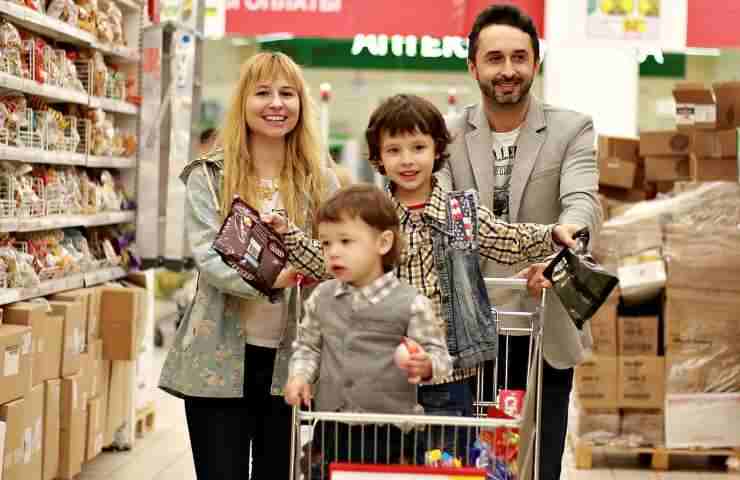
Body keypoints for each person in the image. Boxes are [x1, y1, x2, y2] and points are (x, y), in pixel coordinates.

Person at [266, 93, 582, 459]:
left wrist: (550, 234)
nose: (407, 160)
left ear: (437, 150)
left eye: (418, 147)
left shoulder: (458, 212)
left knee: (443, 465)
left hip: (447, 377)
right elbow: (327, 262)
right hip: (379, 381)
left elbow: (504, 239)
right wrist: (288, 235)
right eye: (394, 150)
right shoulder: (370, 216)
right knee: (380, 464)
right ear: (379, 158)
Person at [437, 5, 602, 480]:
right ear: (473, 66)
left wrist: (561, 252)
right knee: (464, 465)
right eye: (494, 59)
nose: (507, 70)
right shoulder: (443, 135)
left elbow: (581, 202)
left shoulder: (572, 128)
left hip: (543, 320)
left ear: (536, 62)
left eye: (519, 57)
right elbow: (446, 217)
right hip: (465, 330)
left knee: (537, 463)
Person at [158, 52, 340, 480]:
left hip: (291, 361)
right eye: (263, 93)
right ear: (242, 102)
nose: (276, 103)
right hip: (215, 358)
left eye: (287, 93)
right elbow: (207, 254)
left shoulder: (321, 181)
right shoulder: (209, 176)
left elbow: (337, 257)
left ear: (302, 104)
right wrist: (273, 278)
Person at [285, 184, 453, 466]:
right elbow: (308, 348)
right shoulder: (320, 298)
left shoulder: (412, 303)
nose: (333, 252)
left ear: (383, 243)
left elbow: (440, 358)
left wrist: (426, 366)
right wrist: (299, 376)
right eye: (326, 243)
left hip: (394, 433)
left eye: (346, 241)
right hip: (333, 428)